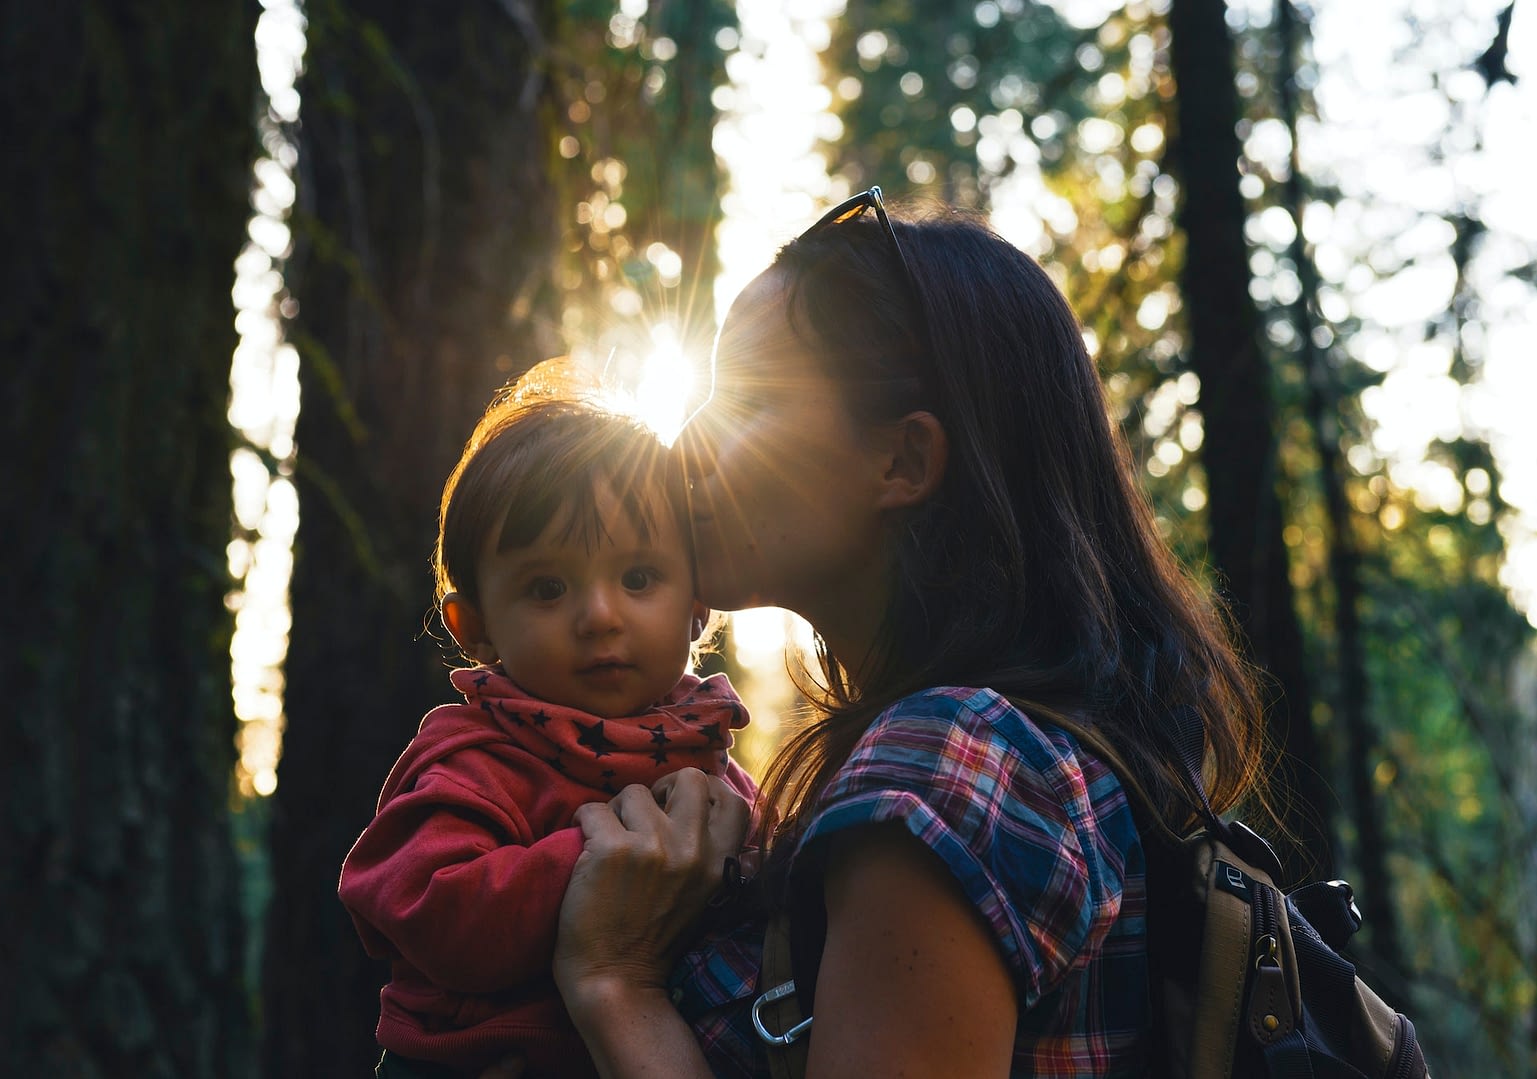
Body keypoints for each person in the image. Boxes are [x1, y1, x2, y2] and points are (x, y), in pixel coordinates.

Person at [543, 189, 1273, 1078]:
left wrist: (613, 981)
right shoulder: (1042, 743)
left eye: (747, 396)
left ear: (903, 461)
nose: (683, 444)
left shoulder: (949, 762)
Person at [338, 374, 760, 1079]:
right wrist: (603, 857)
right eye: (546, 588)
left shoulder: (706, 747)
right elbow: (427, 904)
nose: (599, 614)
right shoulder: (473, 758)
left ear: (698, 605)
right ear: (473, 628)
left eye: (637, 576)